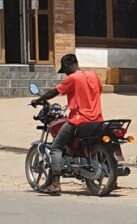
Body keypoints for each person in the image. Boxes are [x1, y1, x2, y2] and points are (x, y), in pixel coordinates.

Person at [30, 53, 104, 195]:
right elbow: (98, 91)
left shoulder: (73, 78)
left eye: (65, 70)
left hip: (79, 120)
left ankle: (55, 184)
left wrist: (38, 100)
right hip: (98, 119)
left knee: (56, 147)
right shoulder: (93, 75)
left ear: (68, 66)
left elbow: (54, 92)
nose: (65, 74)